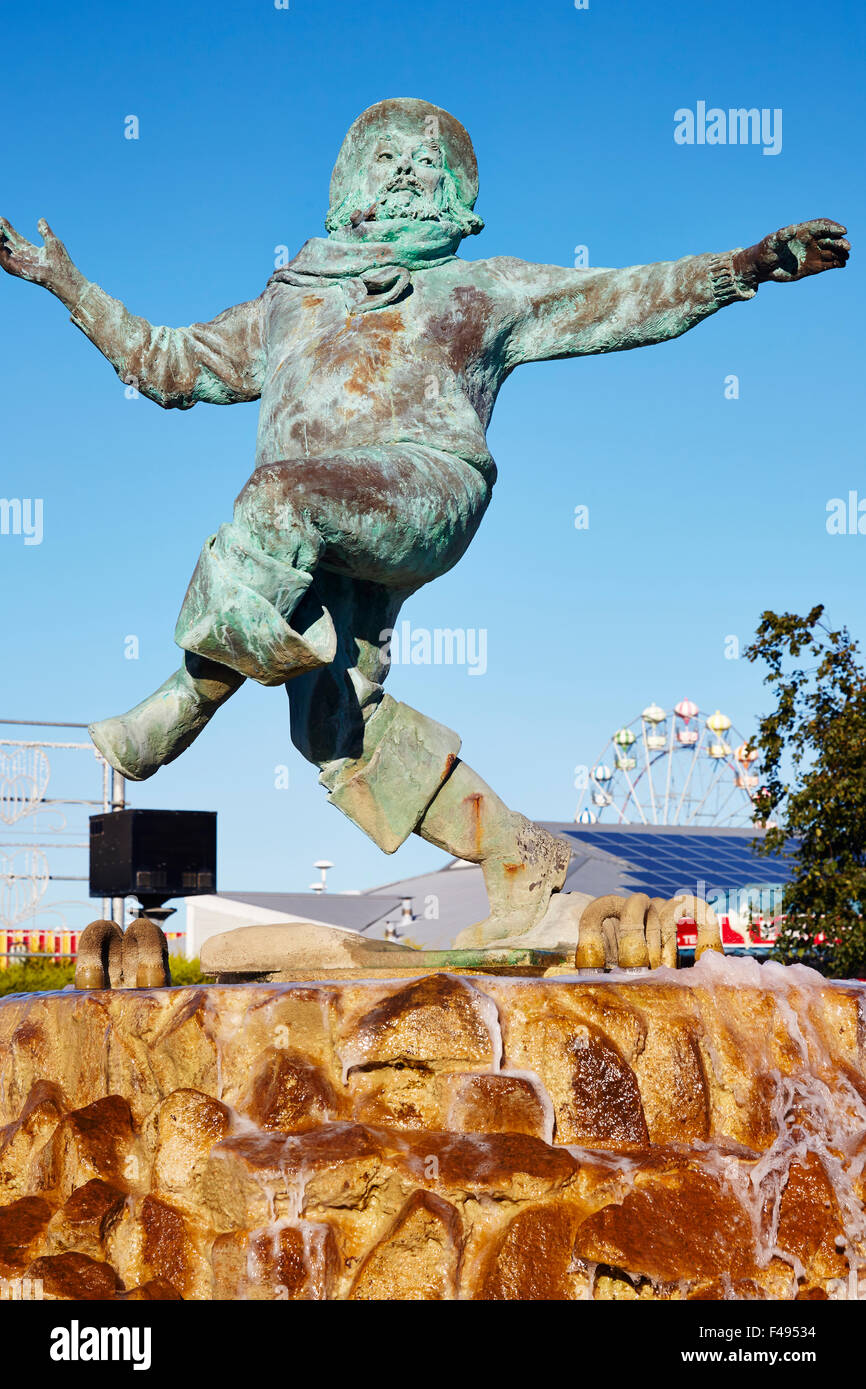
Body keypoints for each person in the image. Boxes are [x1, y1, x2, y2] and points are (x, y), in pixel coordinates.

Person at [0, 98, 849, 944]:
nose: (407, 175)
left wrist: (745, 266)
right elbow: (167, 365)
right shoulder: (288, 301)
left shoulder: (484, 287)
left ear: (456, 198)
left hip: (423, 489)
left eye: (425, 166)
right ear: (347, 188)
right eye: (387, 161)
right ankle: (516, 858)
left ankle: (185, 699)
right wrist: (65, 285)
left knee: (276, 496)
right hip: (316, 541)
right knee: (336, 730)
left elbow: (619, 298)